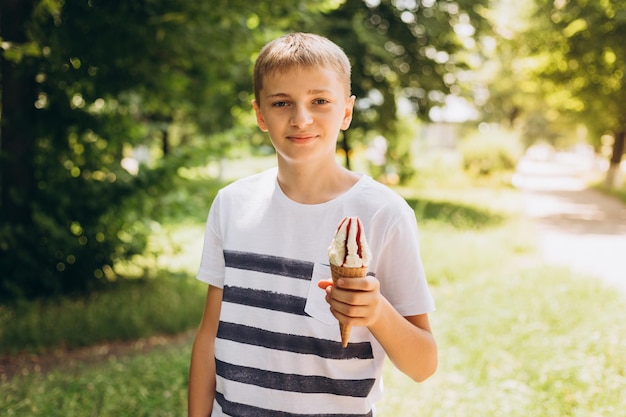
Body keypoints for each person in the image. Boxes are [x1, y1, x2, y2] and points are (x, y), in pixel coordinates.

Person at [188, 32, 437, 417]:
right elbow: (209, 336)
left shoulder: (384, 214)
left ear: (347, 111)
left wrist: (377, 313)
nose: (301, 118)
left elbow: (423, 365)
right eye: (282, 102)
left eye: (320, 101)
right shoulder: (231, 204)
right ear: (260, 114)